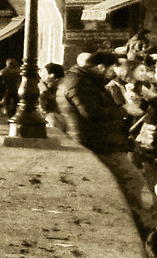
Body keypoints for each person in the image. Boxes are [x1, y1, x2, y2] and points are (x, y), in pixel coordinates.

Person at [54, 50, 156, 212]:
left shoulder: (86, 81)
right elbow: (91, 112)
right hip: (97, 142)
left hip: (99, 141)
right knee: (132, 180)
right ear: (101, 67)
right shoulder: (79, 83)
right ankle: (139, 223)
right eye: (110, 70)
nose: (111, 74)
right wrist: (124, 110)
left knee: (128, 181)